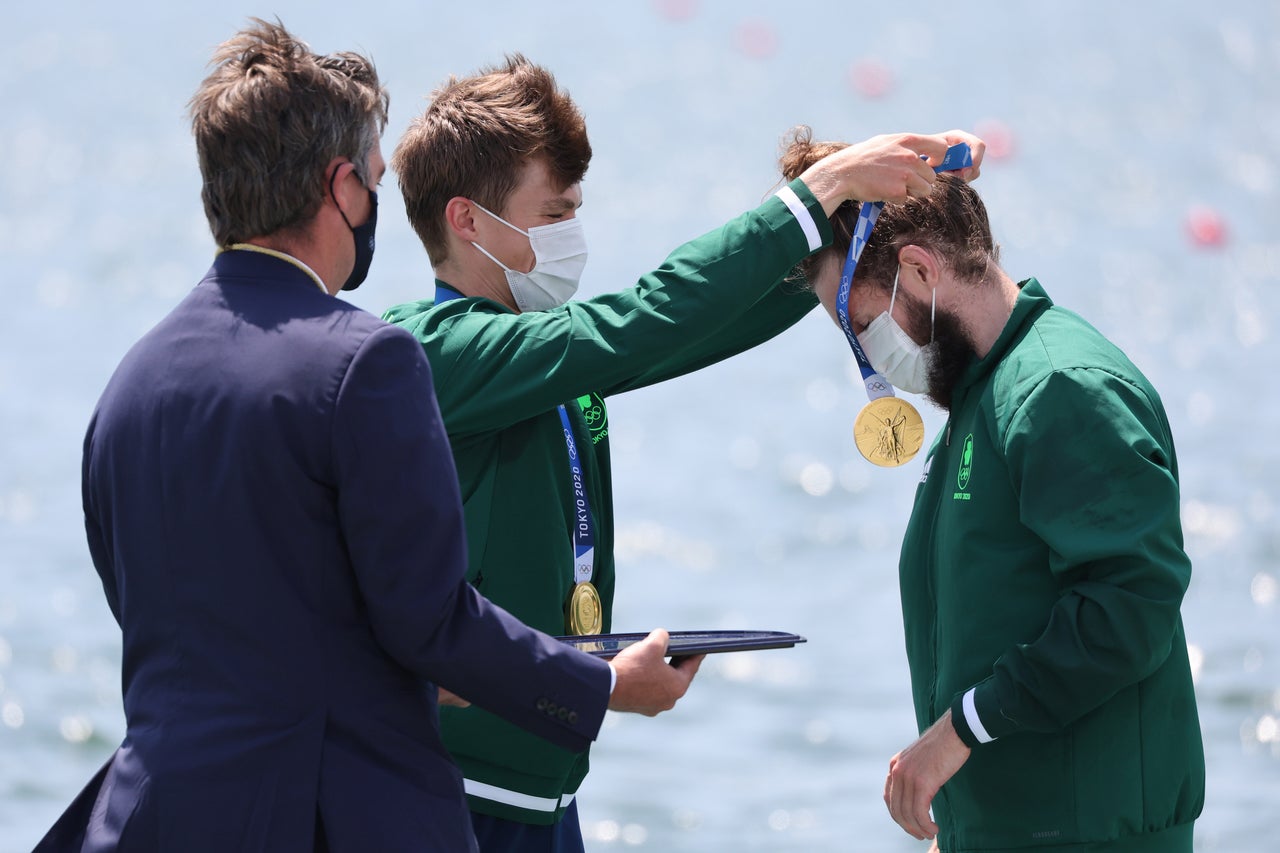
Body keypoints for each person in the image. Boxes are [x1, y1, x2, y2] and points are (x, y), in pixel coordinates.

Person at [34, 21, 702, 853]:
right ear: (344, 187)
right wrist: (597, 684)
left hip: (151, 819)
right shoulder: (366, 362)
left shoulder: (132, 381)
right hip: (330, 821)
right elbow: (429, 624)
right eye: (376, 183)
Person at [383, 54, 984, 851]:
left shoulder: (541, 352)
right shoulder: (437, 351)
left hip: (542, 792)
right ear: (466, 221)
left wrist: (834, 245)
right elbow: (646, 318)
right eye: (553, 211)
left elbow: (686, 330)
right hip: (453, 797)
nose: (572, 232)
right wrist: (817, 194)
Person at [780, 129, 1205, 851]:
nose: (865, 356)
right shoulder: (982, 397)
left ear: (918, 270)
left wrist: (956, 733)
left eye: (858, 325)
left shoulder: (1059, 387)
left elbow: (1129, 606)